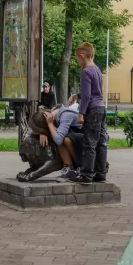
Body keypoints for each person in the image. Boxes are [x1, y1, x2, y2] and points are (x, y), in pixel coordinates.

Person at [64, 42, 108, 183]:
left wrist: (81, 113)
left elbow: (88, 96)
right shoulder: (97, 70)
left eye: (78, 59)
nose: (78, 62)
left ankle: (86, 175)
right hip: (101, 108)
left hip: (92, 111)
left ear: (82, 56)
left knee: (89, 144)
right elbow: (94, 92)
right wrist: (76, 94)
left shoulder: (86, 72)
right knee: (101, 143)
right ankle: (100, 174)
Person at [39, 104, 84, 182]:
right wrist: (43, 131)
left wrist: (49, 124)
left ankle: (82, 168)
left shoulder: (66, 115)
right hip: (78, 140)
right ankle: (69, 170)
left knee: (64, 139)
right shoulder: (56, 113)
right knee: (59, 136)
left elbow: (58, 139)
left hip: (86, 142)